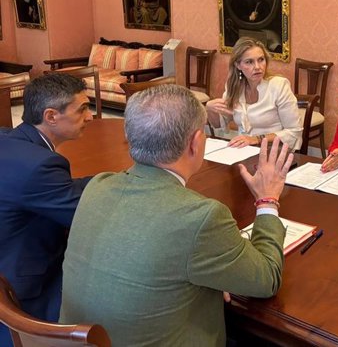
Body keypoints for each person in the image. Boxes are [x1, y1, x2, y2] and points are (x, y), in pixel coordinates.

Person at [60, 85, 292, 346]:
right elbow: (266, 279)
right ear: (195, 142)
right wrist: (267, 200)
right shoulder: (202, 218)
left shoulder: (98, 186)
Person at [0, 74, 93, 345]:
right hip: (26, 290)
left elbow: (54, 191)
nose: (89, 117)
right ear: (51, 116)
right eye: (82, 109)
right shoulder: (41, 165)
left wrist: (98, 181)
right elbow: (85, 216)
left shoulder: (8, 139)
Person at [206, 37, 302, 149]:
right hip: (244, 150)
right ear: (238, 65)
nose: (257, 67)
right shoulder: (234, 86)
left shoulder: (279, 86)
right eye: (249, 62)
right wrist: (210, 109)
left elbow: (294, 132)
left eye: (261, 60)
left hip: (274, 151)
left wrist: (255, 139)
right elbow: (218, 124)